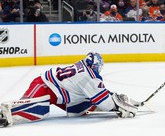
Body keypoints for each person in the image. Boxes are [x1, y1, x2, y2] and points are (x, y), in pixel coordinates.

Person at [0, 53, 138, 127]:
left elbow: (96, 93)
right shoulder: (88, 77)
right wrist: (117, 106)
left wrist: (113, 97)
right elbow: (105, 103)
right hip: (44, 85)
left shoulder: (84, 67)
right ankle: (5, 112)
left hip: (61, 93)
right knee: (34, 110)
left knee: (79, 108)